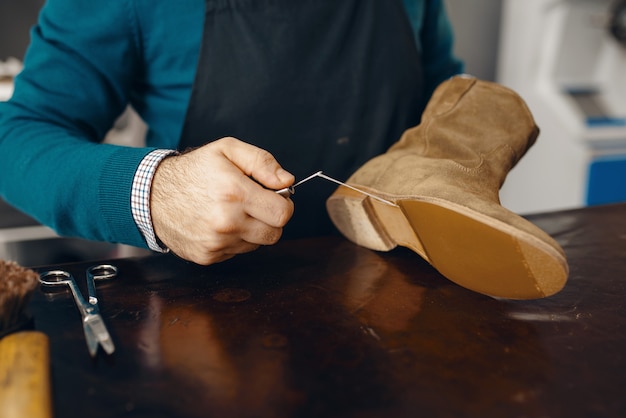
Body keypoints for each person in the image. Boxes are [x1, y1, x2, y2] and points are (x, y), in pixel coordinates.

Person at [0, 0, 463, 265]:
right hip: (211, 325)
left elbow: (440, 92)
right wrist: (159, 192)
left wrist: (468, 137)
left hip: (396, 292)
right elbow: (17, 136)